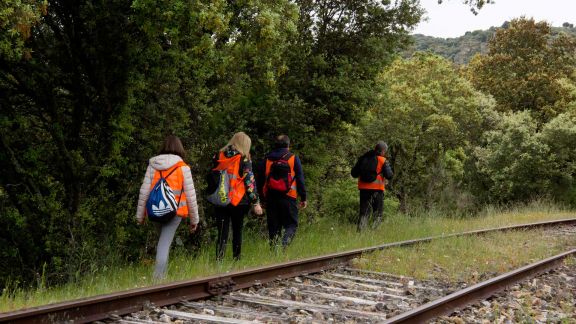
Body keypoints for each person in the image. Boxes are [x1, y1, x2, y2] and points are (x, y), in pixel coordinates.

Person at [136, 135, 199, 280]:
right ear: (180, 148)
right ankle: (158, 279)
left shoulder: (153, 166)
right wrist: (194, 220)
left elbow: (144, 192)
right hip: (175, 212)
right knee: (164, 244)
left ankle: (161, 276)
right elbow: (191, 196)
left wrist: (140, 216)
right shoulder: (183, 168)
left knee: (162, 243)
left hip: (155, 210)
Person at [210, 132, 263, 261]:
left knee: (222, 232)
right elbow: (249, 182)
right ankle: (236, 260)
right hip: (238, 201)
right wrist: (255, 202)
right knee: (237, 231)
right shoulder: (244, 158)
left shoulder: (218, 155)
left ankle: (219, 260)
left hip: (220, 199)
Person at [260, 135, 307, 249]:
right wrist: (303, 198)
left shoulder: (267, 159)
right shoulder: (293, 158)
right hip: (288, 197)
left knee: (274, 227)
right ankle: (285, 244)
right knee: (291, 224)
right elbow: (300, 179)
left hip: (271, 197)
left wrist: (262, 200)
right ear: (288, 145)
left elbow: (260, 180)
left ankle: (274, 252)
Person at [351, 141, 393, 231]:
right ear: (383, 151)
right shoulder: (382, 160)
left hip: (364, 189)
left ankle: (361, 232)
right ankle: (374, 232)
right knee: (377, 212)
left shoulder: (363, 159)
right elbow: (389, 175)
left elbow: (353, 173)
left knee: (364, 212)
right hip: (377, 190)